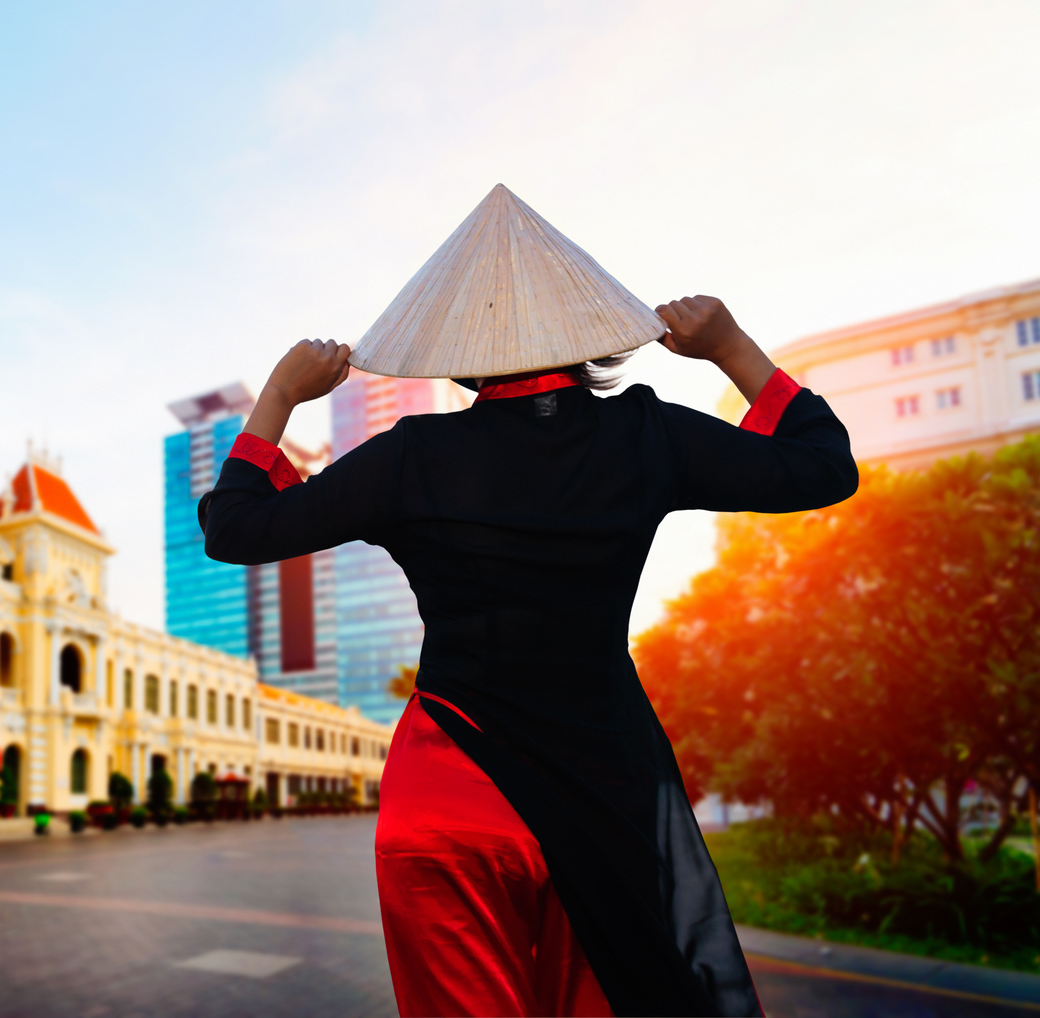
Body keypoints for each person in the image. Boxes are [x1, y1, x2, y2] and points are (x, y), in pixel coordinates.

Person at [200, 187, 856, 1017]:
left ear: (459, 347)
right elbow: (825, 466)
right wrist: (731, 347)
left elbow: (235, 527)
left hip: (450, 792)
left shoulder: (414, 456)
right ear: (583, 331)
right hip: (604, 793)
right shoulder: (646, 435)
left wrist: (281, 397)